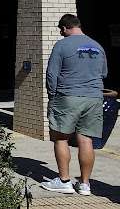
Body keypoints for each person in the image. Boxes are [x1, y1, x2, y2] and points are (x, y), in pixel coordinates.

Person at [41, 14, 109, 196]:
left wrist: (52, 96)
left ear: (64, 28)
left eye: (61, 30)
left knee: (61, 137)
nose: (61, 34)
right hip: (94, 97)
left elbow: (52, 75)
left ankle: (64, 181)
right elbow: (103, 73)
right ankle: (85, 184)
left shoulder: (62, 45)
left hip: (67, 96)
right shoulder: (97, 46)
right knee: (86, 139)